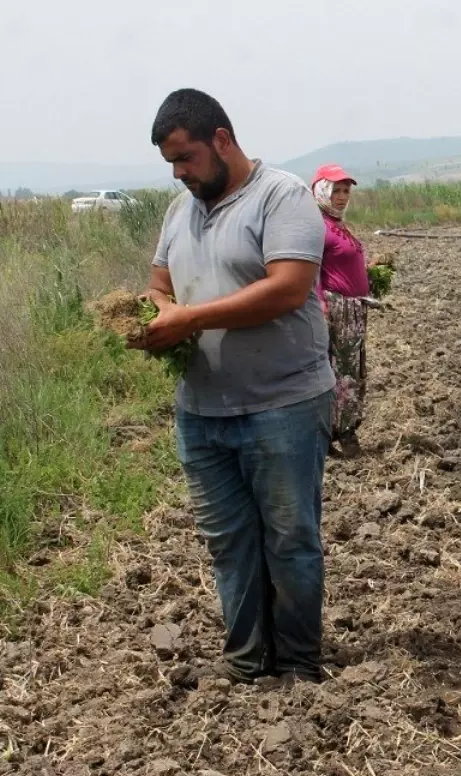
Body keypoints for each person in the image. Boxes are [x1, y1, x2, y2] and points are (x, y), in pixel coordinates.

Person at [132, 89, 333, 684]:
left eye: (186, 157)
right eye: (170, 163)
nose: (179, 173)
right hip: (202, 411)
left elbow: (288, 289)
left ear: (222, 139)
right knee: (229, 543)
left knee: (290, 539)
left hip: (284, 403)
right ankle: (248, 664)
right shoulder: (179, 212)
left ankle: (298, 662)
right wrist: (153, 315)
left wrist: (188, 319)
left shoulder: (283, 197)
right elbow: (159, 284)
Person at [311, 164, 373, 458]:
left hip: (353, 308)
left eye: (346, 190)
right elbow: (312, 272)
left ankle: (336, 432)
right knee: (341, 371)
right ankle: (341, 433)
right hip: (336, 310)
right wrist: (321, 304)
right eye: (336, 190)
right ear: (322, 190)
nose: (342, 196)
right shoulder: (318, 227)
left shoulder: (337, 224)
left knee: (351, 368)